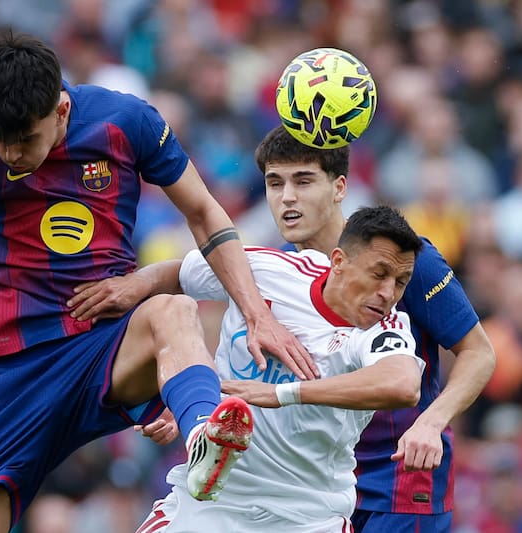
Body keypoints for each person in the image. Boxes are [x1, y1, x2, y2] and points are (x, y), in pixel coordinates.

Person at [0, 29, 317, 533]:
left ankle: (203, 439)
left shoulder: (125, 121)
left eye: (25, 140)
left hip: (103, 344)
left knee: (174, 310)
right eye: (1, 139)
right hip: (12, 372)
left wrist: (257, 316)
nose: (11, 153)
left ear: (59, 111)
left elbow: (206, 215)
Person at [71, 126, 496, 532]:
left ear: (340, 188)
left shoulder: (400, 259)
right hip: (292, 483)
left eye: (304, 182)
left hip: (397, 475)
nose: (288, 198)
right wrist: (192, 396)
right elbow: (185, 278)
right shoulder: (265, 267)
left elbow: (478, 353)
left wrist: (430, 422)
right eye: (275, 184)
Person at [128, 204, 426, 531]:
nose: (388, 293)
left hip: (309, 515)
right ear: (339, 261)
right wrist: (127, 287)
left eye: (401, 281)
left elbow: (403, 384)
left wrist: (282, 394)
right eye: (379, 274)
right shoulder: (270, 269)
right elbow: (177, 276)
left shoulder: (387, 327)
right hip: (213, 500)